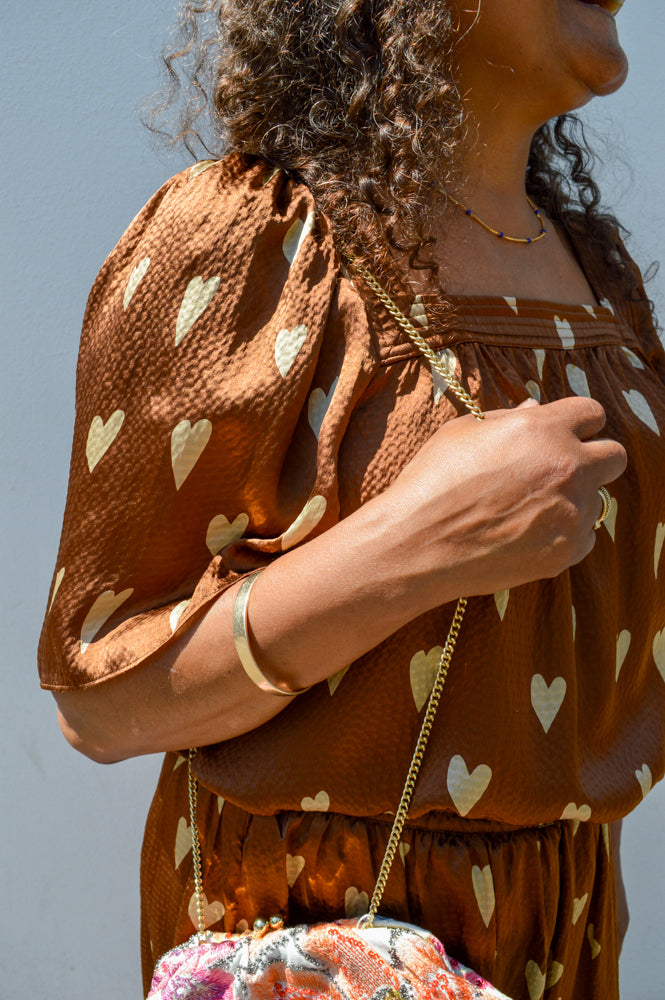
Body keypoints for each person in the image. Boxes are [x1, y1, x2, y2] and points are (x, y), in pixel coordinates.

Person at [38, 1, 665, 997]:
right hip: (316, 942)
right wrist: (416, 542)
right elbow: (101, 704)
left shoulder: (597, 275)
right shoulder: (250, 238)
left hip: (564, 928)